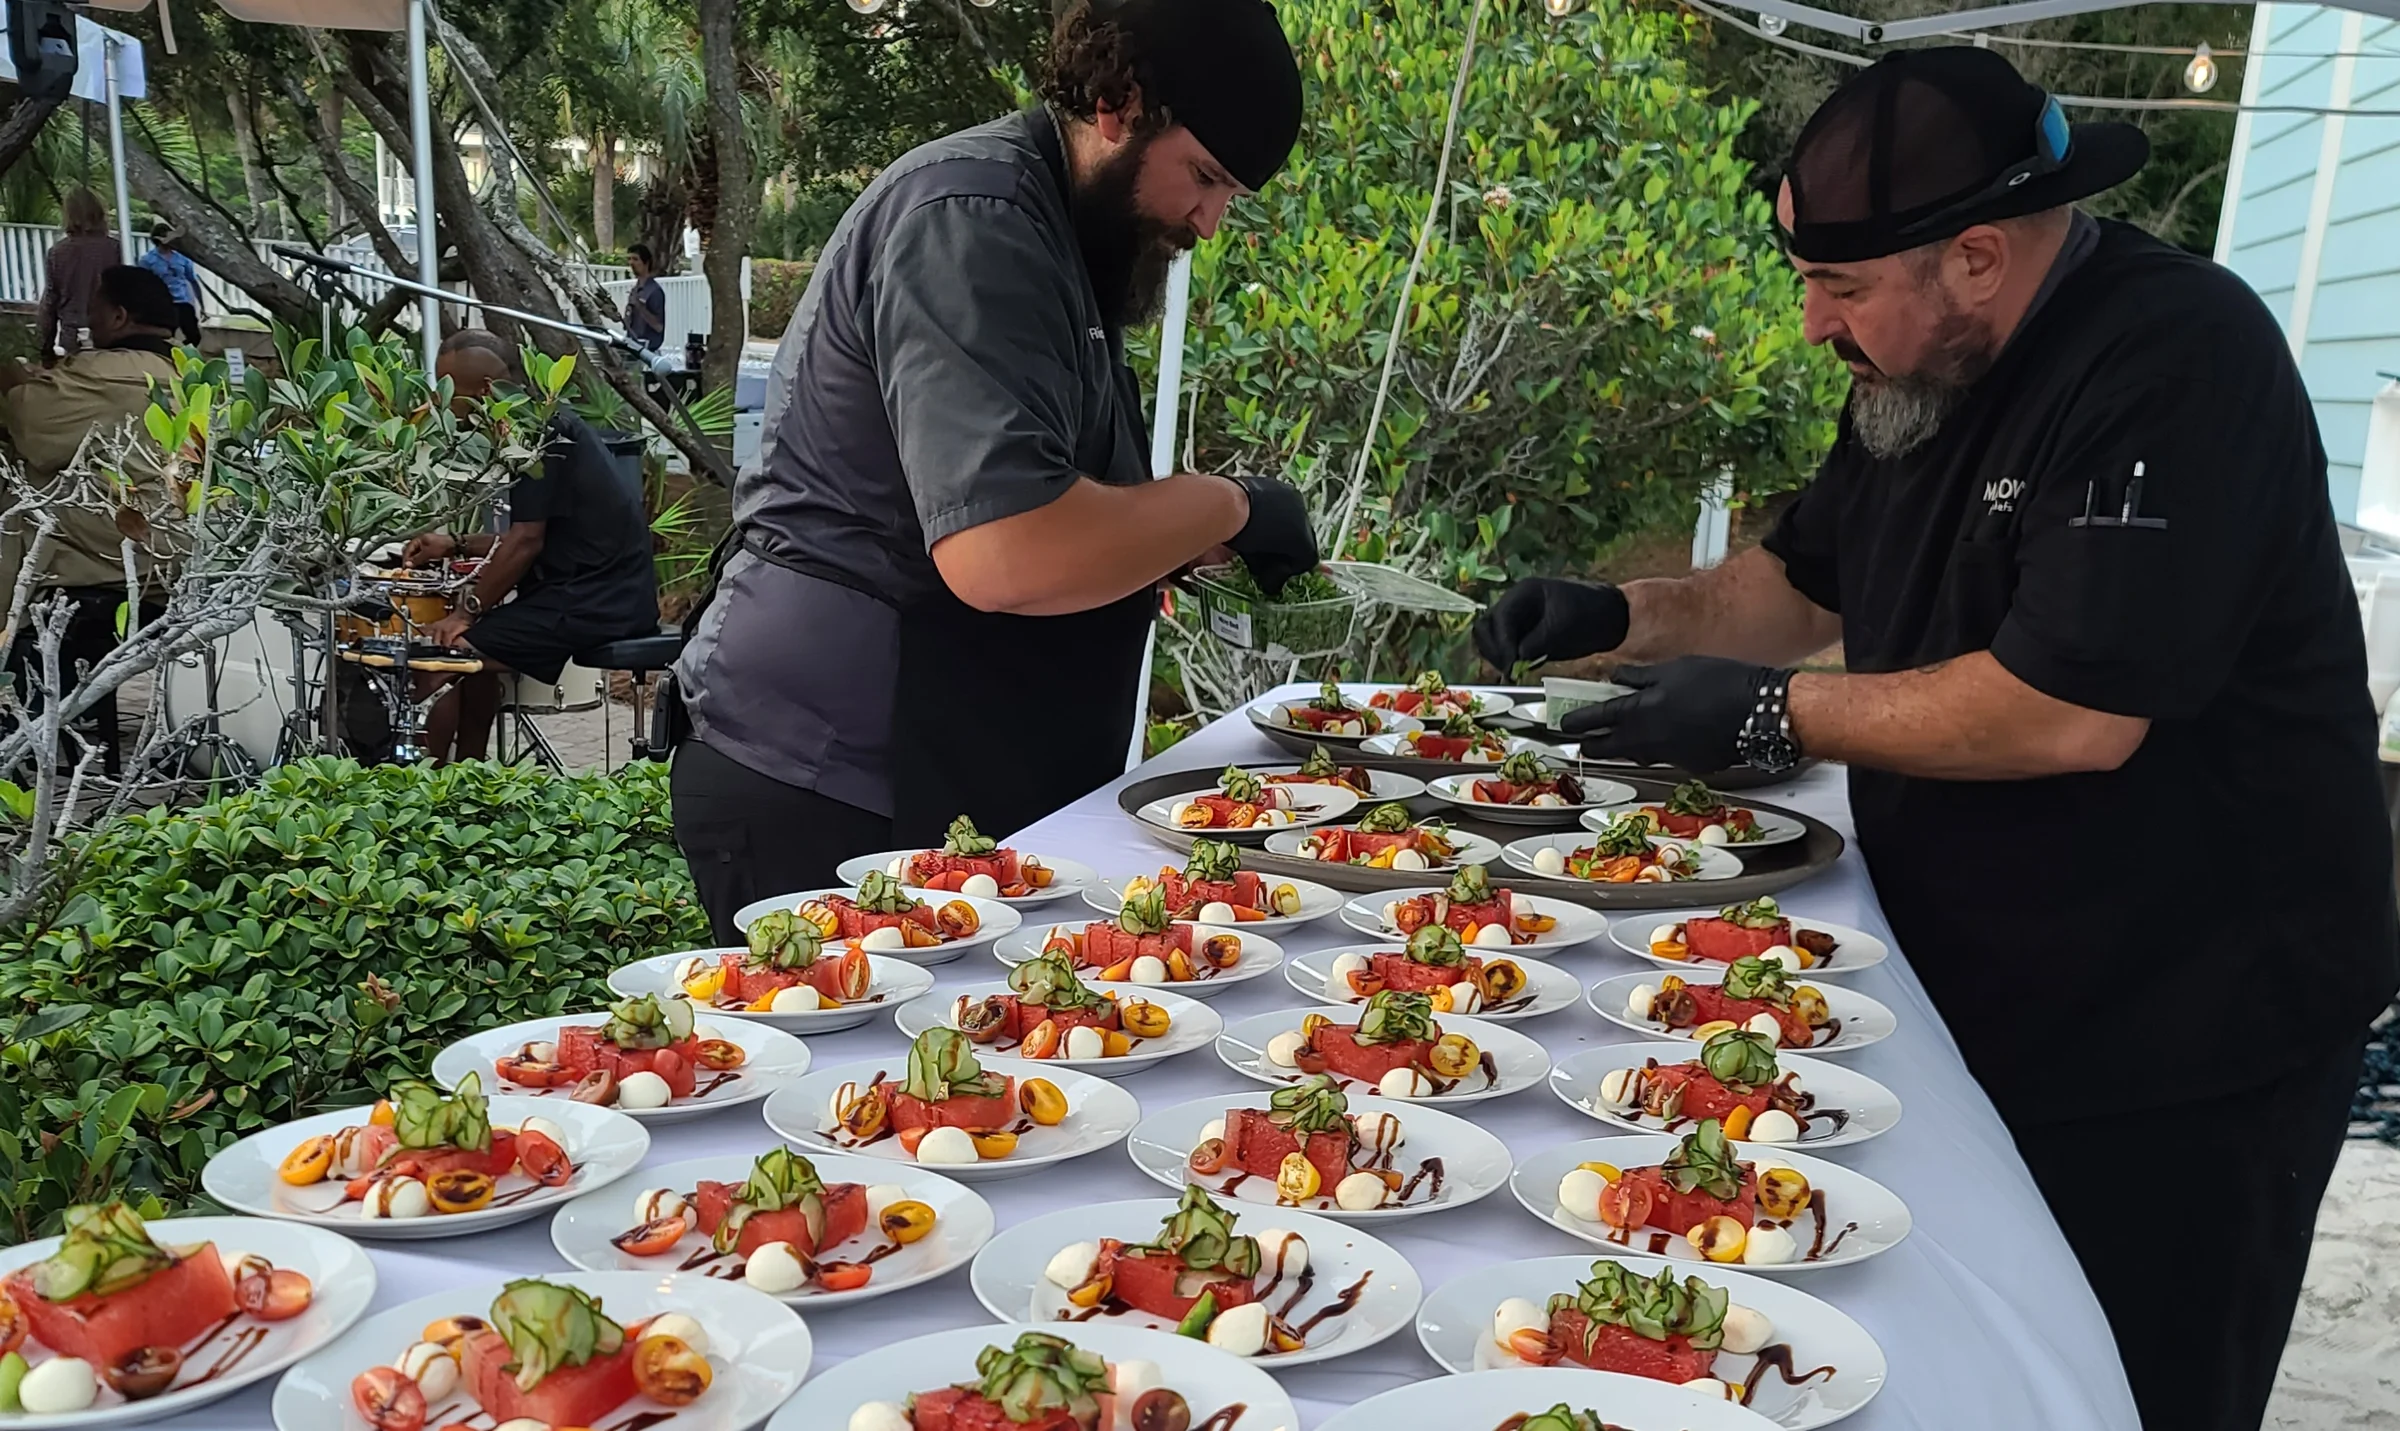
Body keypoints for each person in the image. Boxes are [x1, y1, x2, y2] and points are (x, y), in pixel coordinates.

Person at [1474, 48, 2398, 1431]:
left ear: (1975, 255)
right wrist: (1625, 615)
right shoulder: (1922, 369)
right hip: (1995, 975)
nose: (1808, 326)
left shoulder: (2175, 357)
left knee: (2127, 1382)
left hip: (2191, 1018)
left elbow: (2069, 709)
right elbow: (1794, 586)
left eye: (1840, 287)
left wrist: (1768, 713)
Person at [670, 0, 1317, 940]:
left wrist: (1177, 547)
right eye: (1206, 178)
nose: (1209, 222)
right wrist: (1226, 505)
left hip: (948, 769)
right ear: (1117, 102)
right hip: (840, 784)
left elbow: (1065, 496)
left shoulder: (1066, 235)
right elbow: (1006, 550)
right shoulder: (975, 219)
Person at [399, 330, 658, 763]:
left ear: (485, 391)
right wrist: (456, 544)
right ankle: (470, 776)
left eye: (448, 389)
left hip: (597, 601)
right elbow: (543, 533)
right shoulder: (541, 420)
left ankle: (420, 780)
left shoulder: (538, 435)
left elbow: (526, 541)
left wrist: (466, 613)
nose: (442, 401)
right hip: (584, 590)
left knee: (444, 658)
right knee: (475, 673)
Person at [1, 267, 184, 769]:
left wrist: (13, 378)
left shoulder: (106, 374)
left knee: (23, 492)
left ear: (119, 316)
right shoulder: (192, 374)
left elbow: (31, 429)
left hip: (120, 553)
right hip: (181, 551)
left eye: (96, 309)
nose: (87, 320)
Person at [35, 190, 121, 360]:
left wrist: (46, 348)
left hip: (72, 335)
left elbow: (50, 303)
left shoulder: (58, 252)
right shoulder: (117, 249)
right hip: (111, 332)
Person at [138, 222, 203, 345]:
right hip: (163, 303)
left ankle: (181, 352)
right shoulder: (148, 260)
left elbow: (193, 280)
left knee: (194, 336)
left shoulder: (182, 258)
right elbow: (143, 284)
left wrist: (201, 305)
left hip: (183, 301)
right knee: (165, 336)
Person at [623, 244, 667, 354]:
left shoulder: (654, 291)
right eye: (629, 259)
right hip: (632, 347)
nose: (631, 263)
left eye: (635, 259)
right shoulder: (635, 290)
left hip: (648, 351)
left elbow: (659, 327)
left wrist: (640, 307)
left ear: (646, 262)